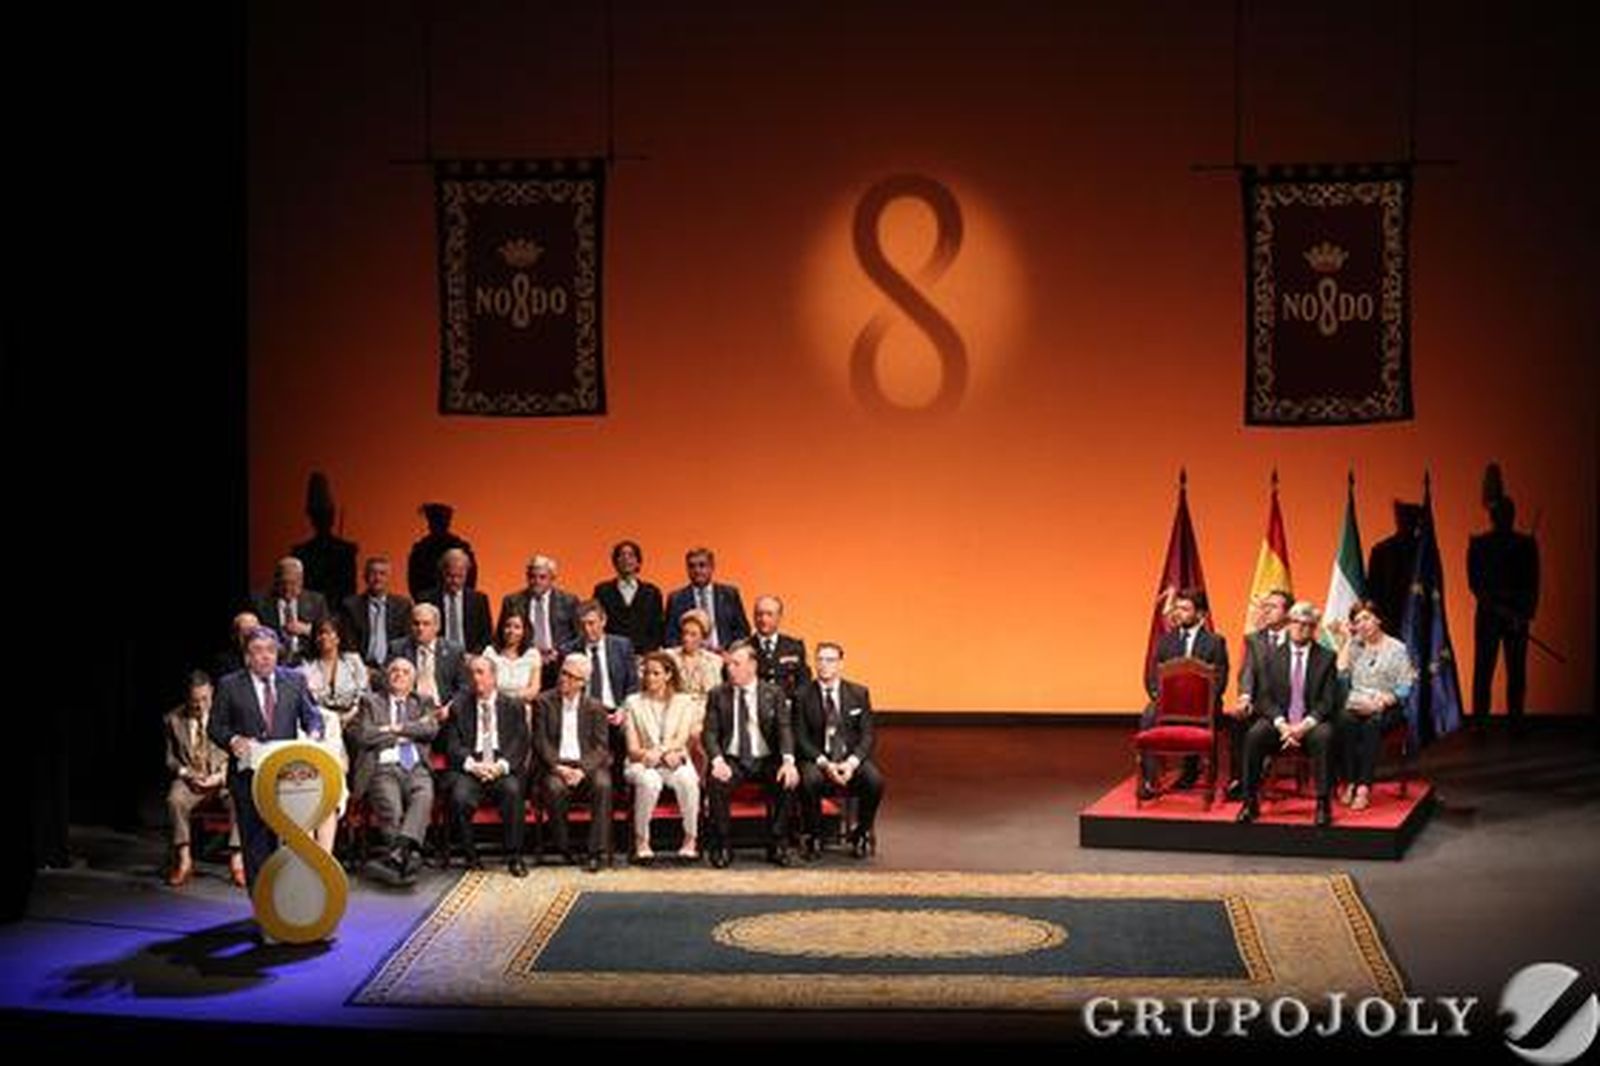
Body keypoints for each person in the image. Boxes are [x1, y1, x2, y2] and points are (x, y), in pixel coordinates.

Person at [207, 628, 325, 890]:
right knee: (256, 843)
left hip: (287, 778)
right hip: (248, 779)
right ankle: (263, 907)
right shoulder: (229, 684)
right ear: (247, 656)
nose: (265, 657)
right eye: (258, 651)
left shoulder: (294, 680)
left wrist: (315, 734)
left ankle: (289, 902)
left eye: (270, 651)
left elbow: (312, 716)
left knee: (287, 841)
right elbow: (215, 727)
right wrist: (233, 740)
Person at [1236, 602, 1340, 827]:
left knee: (1324, 736)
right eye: (1296, 622)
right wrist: (1283, 725)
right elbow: (1265, 698)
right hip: (1280, 723)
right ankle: (1249, 801)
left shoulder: (1327, 657)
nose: (1300, 628)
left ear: (1314, 628)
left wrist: (1303, 726)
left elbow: (1328, 701)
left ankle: (1323, 804)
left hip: (1310, 723)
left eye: (1306, 624)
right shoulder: (1272, 657)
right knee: (1255, 734)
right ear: (1288, 624)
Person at [703, 641, 798, 868]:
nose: (730, 669)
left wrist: (788, 761)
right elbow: (710, 733)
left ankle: (777, 842)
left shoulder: (773, 693)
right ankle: (723, 843)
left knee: (789, 780)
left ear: (752, 666)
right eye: (729, 664)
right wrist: (717, 760)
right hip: (733, 759)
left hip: (766, 758)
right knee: (716, 781)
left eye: (736, 664)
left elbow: (784, 728)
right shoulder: (718, 694)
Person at [350, 658, 438, 883]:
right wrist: (409, 731)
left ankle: (397, 858)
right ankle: (408, 857)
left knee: (424, 796)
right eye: (394, 671)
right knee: (391, 809)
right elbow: (365, 735)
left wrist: (394, 728)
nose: (399, 675)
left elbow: (429, 729)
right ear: (386, 677)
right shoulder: (370, 702)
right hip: (383, 767)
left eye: (405, 672)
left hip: (416, 767)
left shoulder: (424, 702)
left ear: (413, 680)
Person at [792, 642, 882, 860]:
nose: (824, 665)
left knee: (875, 781)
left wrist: (851, 763)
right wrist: (825, 763)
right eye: (820, 659)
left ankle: (860, 833)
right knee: (809, 780)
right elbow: (800, 737)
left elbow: (868, 735)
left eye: (830, 660)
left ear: (840, 664)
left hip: (849, 759)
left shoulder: (858, 693)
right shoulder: (802, 695)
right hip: (818, 758)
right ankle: (814, 835)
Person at [442, 656, 530, 876]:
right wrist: (473, 766)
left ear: (494, 677)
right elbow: (452, 746)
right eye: (472, 673)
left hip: (501, 764)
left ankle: (514, 856)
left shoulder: (513, 706)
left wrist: (500, 766)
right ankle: (470, 856)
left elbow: (520, 743)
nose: (475, 678)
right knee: (460, 796)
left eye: (481, 672)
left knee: (512, 790)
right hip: (472, 764)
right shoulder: (459, 707)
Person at [1140, 588, 1230, 799]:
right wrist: (1159, 697)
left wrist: (1199, 702)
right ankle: (1149, 780)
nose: (1178, 613)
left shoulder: (1215, 642)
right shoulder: (1166, 641)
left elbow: (1220, 681)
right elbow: (1155, 675)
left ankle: (1192, 772)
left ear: (1200, 614)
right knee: (1148, 715)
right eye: (1177, 608)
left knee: (1200, 719)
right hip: (1169, 703)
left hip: (1203, 705)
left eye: (1185, 609)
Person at [531, 654, 614, 872]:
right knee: (554, 787)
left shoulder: (596, 707)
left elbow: (601, 747)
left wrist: (582, 770)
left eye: (571, 676)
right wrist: (558, 767)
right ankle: (564, 847)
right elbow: (540, 741)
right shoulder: (543, 702)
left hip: (586, 765)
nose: (563, 679)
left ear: (582, 682)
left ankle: (596, 852)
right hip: (555, 765)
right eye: (563, 673)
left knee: (603, 784)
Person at [163, 671, 243, 887]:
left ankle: (237, 860)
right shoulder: (173, 720)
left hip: (221, 779)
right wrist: (186, 774)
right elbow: (170, 759)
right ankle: (184, 860)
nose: (199, 705)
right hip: (191, 780)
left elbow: (240, 753)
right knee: (175, 799)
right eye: (194, 700)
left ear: (212, 694)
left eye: (204, 699)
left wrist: (220, 776)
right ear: (187, 698)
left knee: (241, 797)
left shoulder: (227, 717)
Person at [1334, 600, 1416, 810]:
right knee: (1345, 721)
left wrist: (1382, 703)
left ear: (1377, 619)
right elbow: (1341, 674)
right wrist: (1345, 641)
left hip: (1386, 705)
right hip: (1357, 703)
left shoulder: (1397, 648)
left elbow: (1405, 686)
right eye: (1357, 620)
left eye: (1367, 618)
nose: (1362, 624)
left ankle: (1363, 787)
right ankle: (1350, 781)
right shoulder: (1354, 646)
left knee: (1372, 724)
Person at [621, 653, 700, 860]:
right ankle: (642, 839)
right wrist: (650, 755)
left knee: (688, 779)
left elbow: (682, 737)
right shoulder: (633, 702)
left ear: (668, 675)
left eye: (656, 673)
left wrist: (662, 752)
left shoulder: (684, 701)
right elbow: (632, 748)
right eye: (646, 673)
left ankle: (690, 838)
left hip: (672, 759)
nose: (650, 678)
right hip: (641, 762)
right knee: (650, 780)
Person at [1468, 496, 1539, 725]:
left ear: (1512, 515)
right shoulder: (1478, 544)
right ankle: (1480, 722)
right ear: (1492, 516)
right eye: (1499, 513)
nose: (1503, 518)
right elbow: (1475, 583)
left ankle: (1516, 720)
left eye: (1507, 513)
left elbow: (1533, 582)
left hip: (1516, 617)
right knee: (1483, 670)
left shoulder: (1526, 544)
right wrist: (1499, 608)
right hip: (1490, 616)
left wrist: (1524, 613)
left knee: (1516, 672)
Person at [298, 617, 365, 851]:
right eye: (320, 634)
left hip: (353, 719)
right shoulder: (306, 666)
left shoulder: (353, 661)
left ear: (338, 636)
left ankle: (356, 797)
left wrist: (349, 716)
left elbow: (364, 695)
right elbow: (304, 702)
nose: (324, 638)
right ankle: (326, 797)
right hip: (321, 723)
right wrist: (331, 720)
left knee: (359, 740)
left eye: (329, 633)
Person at [1231, 588, 1293, 800]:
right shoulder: (1254, 639)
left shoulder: (1297, 639)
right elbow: (1247, 671)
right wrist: (1245, 696)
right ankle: (1240, 779)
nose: (1266, 611)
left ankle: (1256, 776)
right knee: (1238, 720)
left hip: (1288, 706)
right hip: (1259, 704)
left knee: (1258, 731)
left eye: (1272, 607)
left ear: (1287, 613)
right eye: (1264, 606)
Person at [499, 555, 580, 685]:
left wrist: (559, 652)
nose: (536, 581)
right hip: (524, 663)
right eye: (532, 577)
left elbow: (579, 636)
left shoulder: (569, 601)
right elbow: (502, 634)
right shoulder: (512, 601)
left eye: (542, 577)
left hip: (558, 663)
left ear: (552, 579)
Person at [291, 471, 358, 606]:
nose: (324, 519)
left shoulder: (345, 550)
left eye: (326, 514)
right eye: (320, 515)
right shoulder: (302, 552)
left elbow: (350, 589)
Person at [664, 547, 750, 650]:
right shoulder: (676, 599)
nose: (697, 570)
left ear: (712, 567)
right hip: (690, 659)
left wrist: (731, 652)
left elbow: (742, 631)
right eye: (692, 566)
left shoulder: (729, 595)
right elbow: (669, 638)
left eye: (702, 565)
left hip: (726, 656)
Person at [388, 603, 465, 715]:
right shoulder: (398, 648)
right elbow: (387, 682)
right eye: (416, 623)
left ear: (437, 626)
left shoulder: (454, 651)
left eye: (426, 624)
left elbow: (464, 687)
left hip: (443, 710)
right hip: (409, 713)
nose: (420, 628)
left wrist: (450, 708)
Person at [251, 556, 329, 665]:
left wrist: (307, 629)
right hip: (273, 661)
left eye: (292, 583)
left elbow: (328, 632)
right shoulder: (259, 603)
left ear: (301, 581)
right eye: (283, 583)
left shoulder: (316, 601)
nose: (287, 588)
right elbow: (253, 635)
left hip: (308, 660)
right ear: (276, 581)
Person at [342, 555, 413, 675]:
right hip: (360, 667)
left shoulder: (403, 606)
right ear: (365, 577)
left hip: (394, 668)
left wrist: (392, 667)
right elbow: (349, 643)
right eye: (373, 573)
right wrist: (362, 668)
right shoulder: (351, 606)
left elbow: (406, 641)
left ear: (389, 577)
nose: (377, 578)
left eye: (382, 574)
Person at [593, 539, 665, 653]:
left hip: (644, 655)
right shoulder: (602, 591)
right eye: (622, 555)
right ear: (615, 562)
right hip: (613, 653)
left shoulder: (652, 592)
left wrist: (648, 653)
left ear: (638, 562)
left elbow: (657, 628)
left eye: (631, 555)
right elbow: (599, 625)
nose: (626, 559)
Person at [422, 547, 493, 655]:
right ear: (443, 573)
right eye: (450, 576)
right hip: (437, 657)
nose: (455, 581)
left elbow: (486, 635)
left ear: (466, 574)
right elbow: (422, 633)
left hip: (470, 657)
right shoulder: (427, 599)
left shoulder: (479, 600)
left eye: (460, 576)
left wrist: (473, 655)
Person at [407, 502, 478, 599]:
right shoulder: (420, 549)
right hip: (428, 604)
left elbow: (471, 578)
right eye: (435, 521)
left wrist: (464, 600)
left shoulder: (460, 546)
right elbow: (413, 582)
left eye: (441, 521)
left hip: (457, 601)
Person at [750, 595, 811, 699]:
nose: (763, 619)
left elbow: (804, 682)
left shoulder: (794, 647)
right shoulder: (744, 647)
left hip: (787, 709)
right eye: (759, 614)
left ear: (779, 616)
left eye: (769, 614)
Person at [483, 612, 542, 705]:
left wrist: (515, 699)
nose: (511, 631)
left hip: (522, 705)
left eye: (517, 627)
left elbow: (534, 688)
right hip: (495, 705)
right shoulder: (490, 653)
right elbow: (486, 685)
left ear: (524, 631)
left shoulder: (533, 654)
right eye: (507, 626)